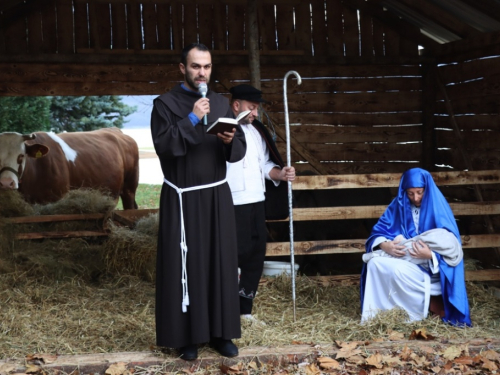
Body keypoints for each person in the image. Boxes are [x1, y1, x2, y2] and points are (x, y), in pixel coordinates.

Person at [150, 43, 246, 361]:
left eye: (206, 66)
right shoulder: (164, 104)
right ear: (183, 69)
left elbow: (239, 149)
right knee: (185, 265)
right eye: (195, 66)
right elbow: (164, 145)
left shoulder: (221, 102)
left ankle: (221, 334)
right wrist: (192, 118)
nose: (202, 72)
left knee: (219, 262)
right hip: (182, 197)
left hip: (216, 196)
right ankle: (186, 338)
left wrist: (232, 139)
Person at [360, 168, 471, 326]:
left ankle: (411, 316)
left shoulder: (438, 208)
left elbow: (452, 249)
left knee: (398, 270)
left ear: (427, 189)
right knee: (374, 264)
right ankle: (380, 315)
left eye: (419, 192)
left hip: (431, 269)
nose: (416, 198)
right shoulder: (397, 206)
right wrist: (385, 246)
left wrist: (430, 255)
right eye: (410, 193)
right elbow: (378, 231)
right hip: (404, 260)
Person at [226, 84, 295, 321]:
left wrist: (279, 174)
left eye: (256, 109)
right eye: (251, 108)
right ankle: (226, 309)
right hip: (231, 203)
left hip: (257, 201)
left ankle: (245, 310)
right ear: (236, 105)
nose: (255, 113)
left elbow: (265, 164)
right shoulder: (224, 130)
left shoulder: (257, 131)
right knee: (233, 255)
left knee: (256, 255)